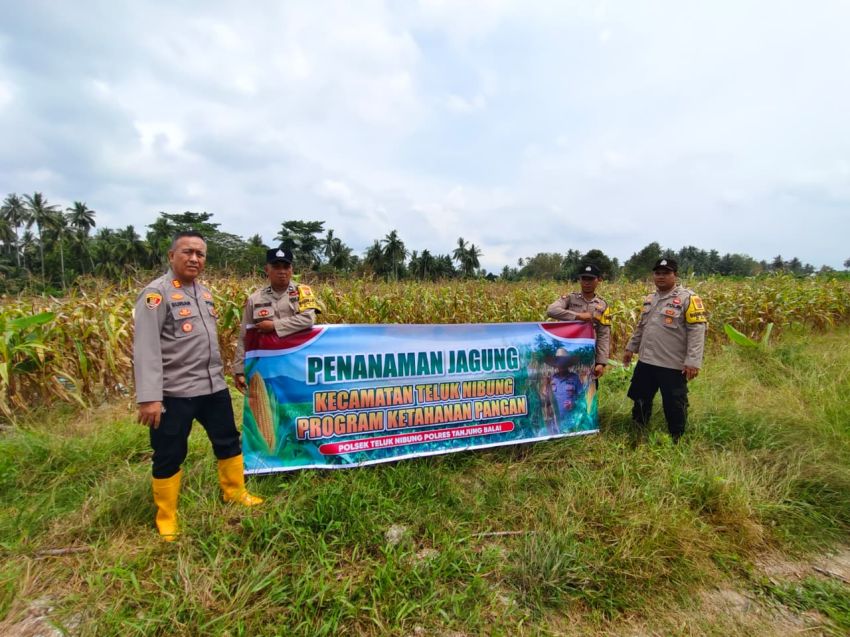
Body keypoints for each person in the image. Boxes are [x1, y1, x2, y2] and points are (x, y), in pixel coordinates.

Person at [133, 231, 262, 542]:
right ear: (171, 256)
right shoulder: (156, 294)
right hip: (174, 391)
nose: (194, 259)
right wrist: (149, 398)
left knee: (228, 440)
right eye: (188, 252)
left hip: (212, 385)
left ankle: (234, 492)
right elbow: (146, 348)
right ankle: (167, 516)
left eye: (200, 254)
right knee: (169, 451)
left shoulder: (203, 293)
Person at [622, 258, 707, 443]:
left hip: (672, 364)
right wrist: (631, 348)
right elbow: (641, 326)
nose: (660, 277)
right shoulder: (650, 299)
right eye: (657, 273)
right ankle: (638, 430)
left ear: (675, 275)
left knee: (674, 403)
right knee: (640, 398)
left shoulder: (688, 299)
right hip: (646, 360)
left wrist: (693, 361)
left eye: (666, 273)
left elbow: (697, 331)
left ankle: (676, 437)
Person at [232, 245, 321, 393]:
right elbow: (244, 336)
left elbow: (308, 319)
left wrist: (274, 325)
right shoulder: (255, 298)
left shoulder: (302, 292)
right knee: (269, 407)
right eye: (276, 267)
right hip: (267, 365)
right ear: (267, 269)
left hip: (297, 363)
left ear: (291, 269)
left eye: (286, 267)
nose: (282, 271)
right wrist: (239, 370)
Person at [546, 263, 612, 378]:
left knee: (587, 389)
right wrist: (578, 316)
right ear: (579, 280)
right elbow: (551, 310)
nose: (587, 283)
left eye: (591, 279)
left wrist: (601, 362)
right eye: (584, 279)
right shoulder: (570, 298)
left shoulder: (602, 305)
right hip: (567, 351)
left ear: (598, 280)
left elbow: (603, 335)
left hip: (588, 353)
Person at [541, 348, 583, 434]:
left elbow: (582, 398)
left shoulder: (574, 377)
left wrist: (574, 403)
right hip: (555, 421)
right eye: (559, 362)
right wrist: (545, 385)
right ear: (556, 364)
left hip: (571, 420)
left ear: (567, 364)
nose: (561, 365)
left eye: (564, 362)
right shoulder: (552, 378)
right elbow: (546, 400)